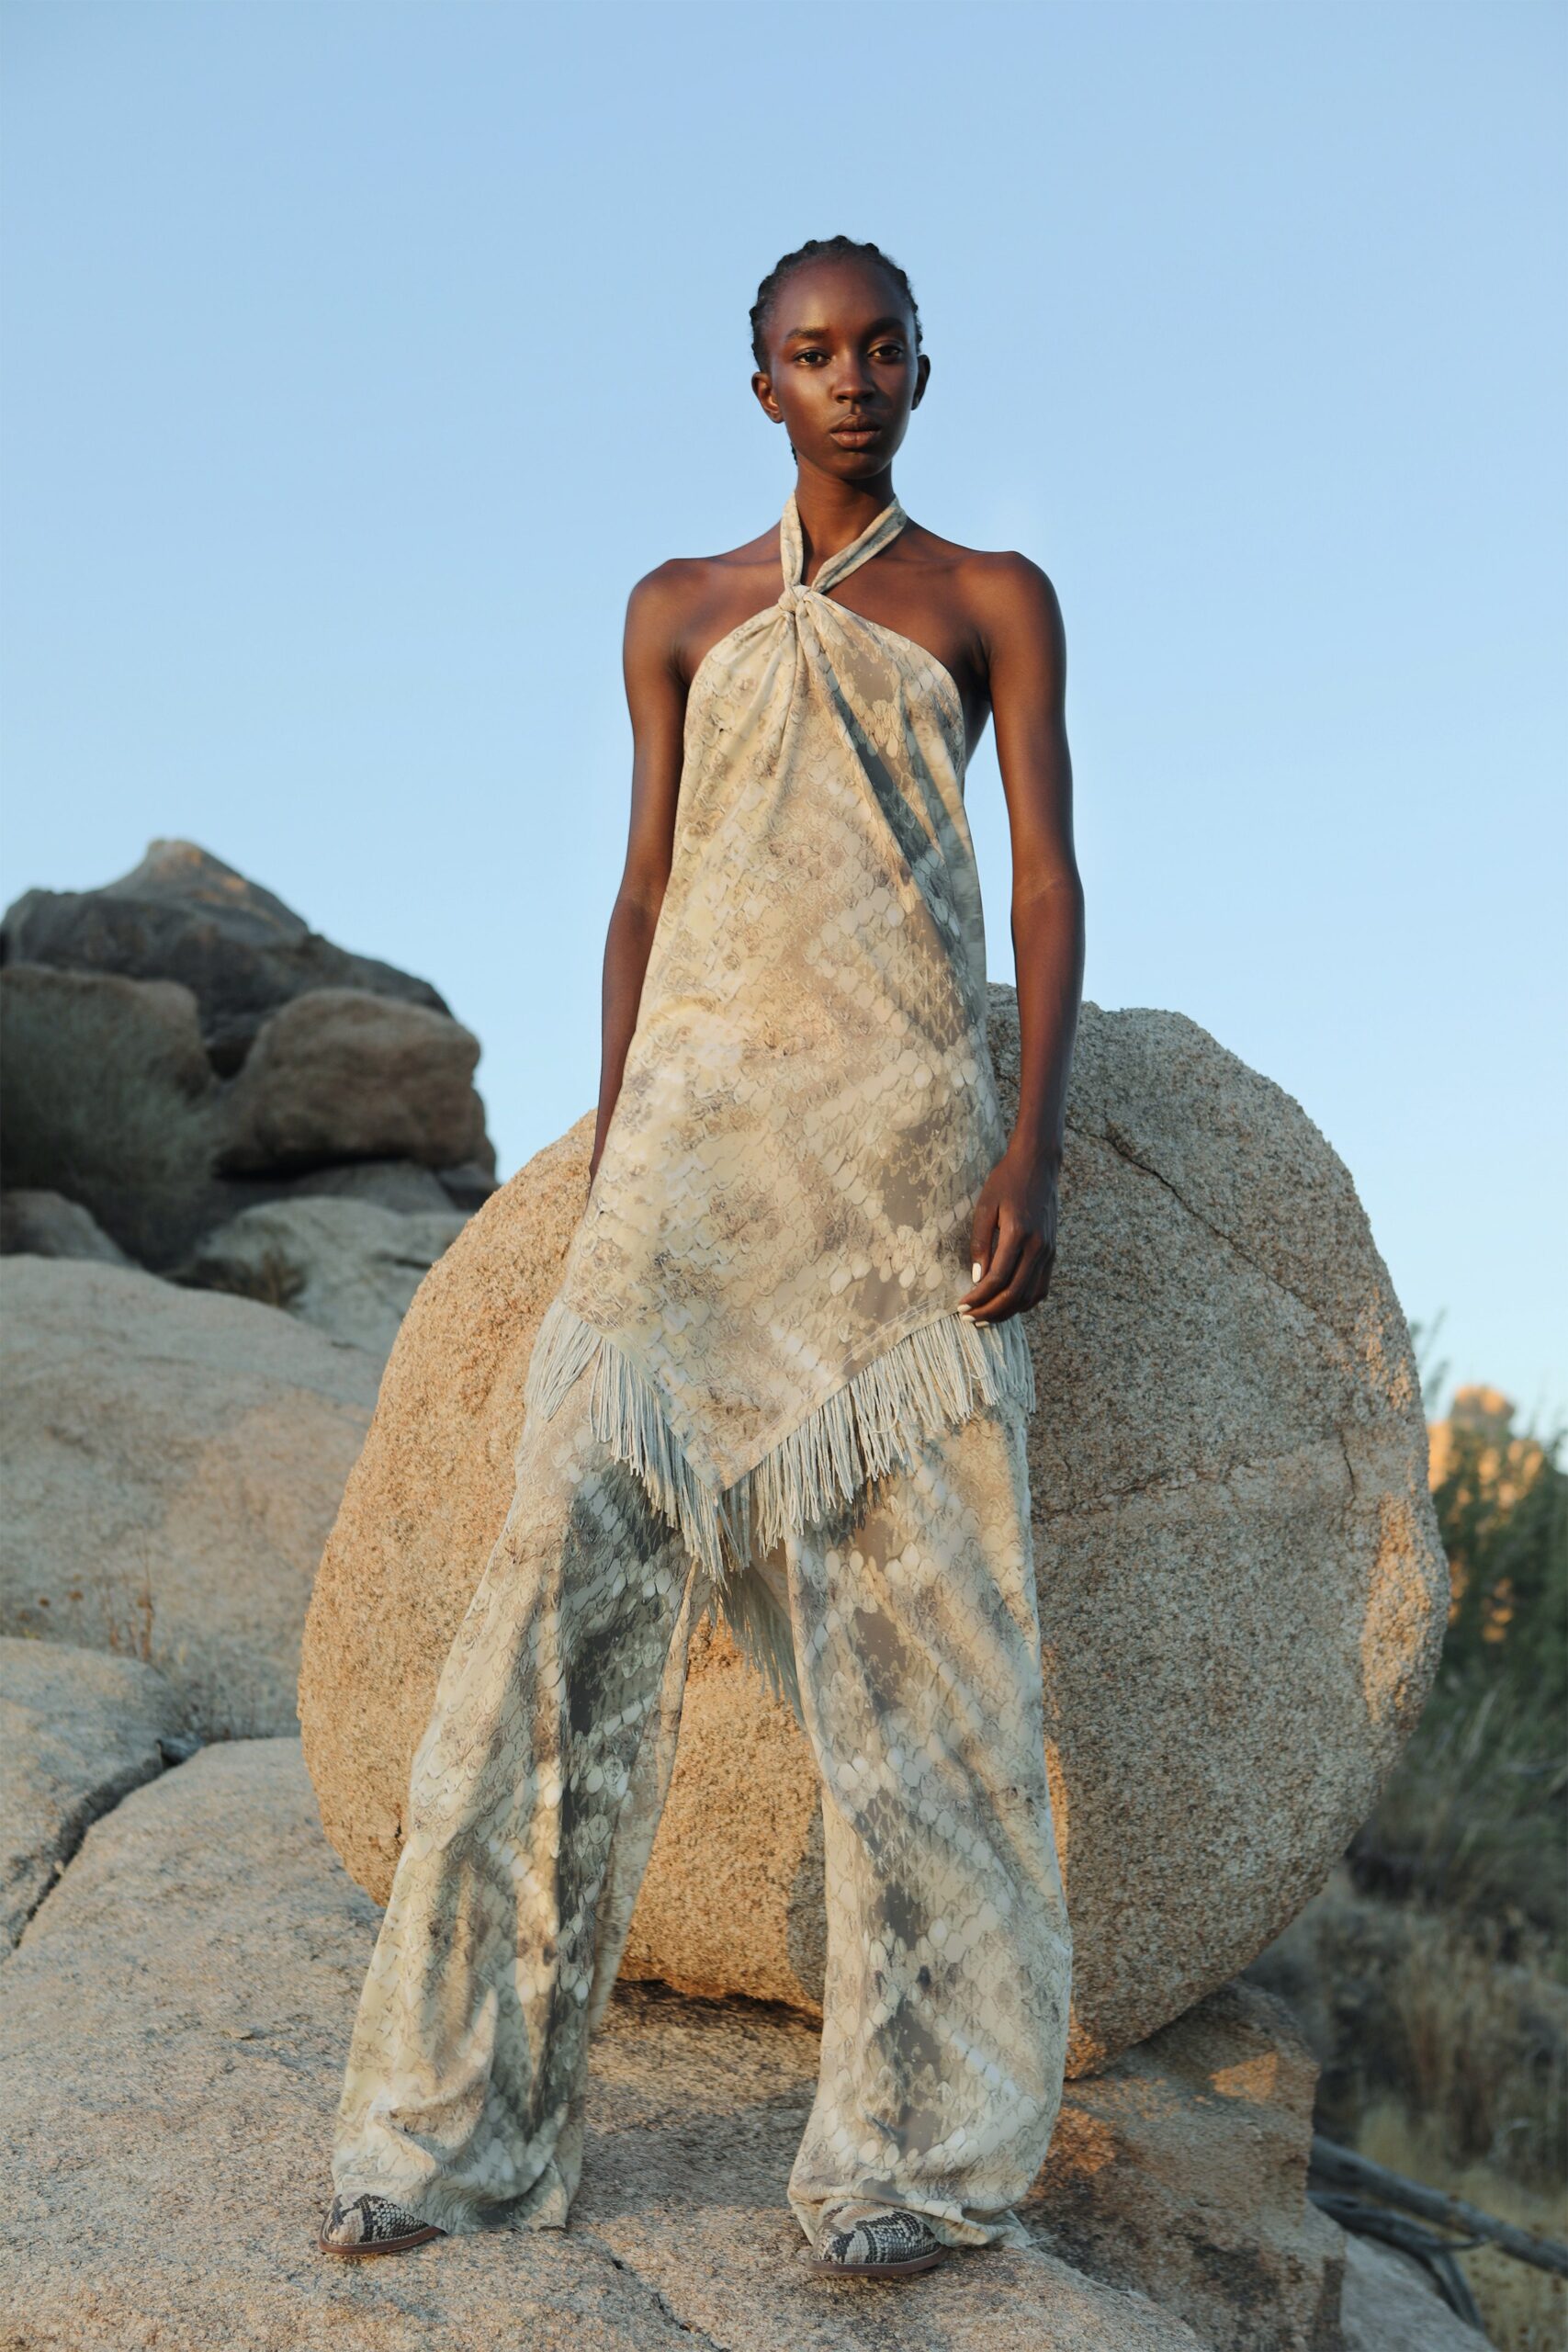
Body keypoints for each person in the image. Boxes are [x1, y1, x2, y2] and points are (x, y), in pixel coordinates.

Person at [318, 233, 1084, 2285]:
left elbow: (1040, 875)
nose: (846, 380)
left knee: (934, 1686)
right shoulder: (678, 608)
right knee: (537, 1644)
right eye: (806, 353)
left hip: (897, 1188)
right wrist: (610, 1160)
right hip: (691, 1178)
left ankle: (912, 2162)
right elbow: (640, 886)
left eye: (875, 349)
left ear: (922, 368)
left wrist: (1030, 1144)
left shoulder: (987, 602)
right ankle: (448, 2127)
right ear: (756, 384)